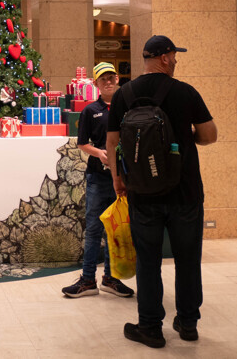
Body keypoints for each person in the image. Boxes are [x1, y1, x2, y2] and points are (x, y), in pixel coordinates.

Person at [107, 35, 218, 348]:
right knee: (187, 259)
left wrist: (118, 179)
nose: (176, 61)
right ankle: (187, 322)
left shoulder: (123, 94)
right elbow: (210, 135)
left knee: (148, 260)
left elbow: (113, 141)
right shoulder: (185, 92)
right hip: (185, 192)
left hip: (142, 192)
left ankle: (150, 327)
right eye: (175, 55)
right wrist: (183, 136)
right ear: (166, 57)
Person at [61, 62, 136, 299]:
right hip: (97, 178)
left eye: (112, 77)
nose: (108, 82)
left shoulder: (128, 109)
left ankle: (111, 279)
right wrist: (100, 153)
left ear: (118, 79)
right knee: (93, 229)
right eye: (103, 79)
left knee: (116, 229)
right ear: (96, 84)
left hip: (124, 179)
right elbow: (82, 143)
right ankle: (87, 280)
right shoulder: (90, 111)